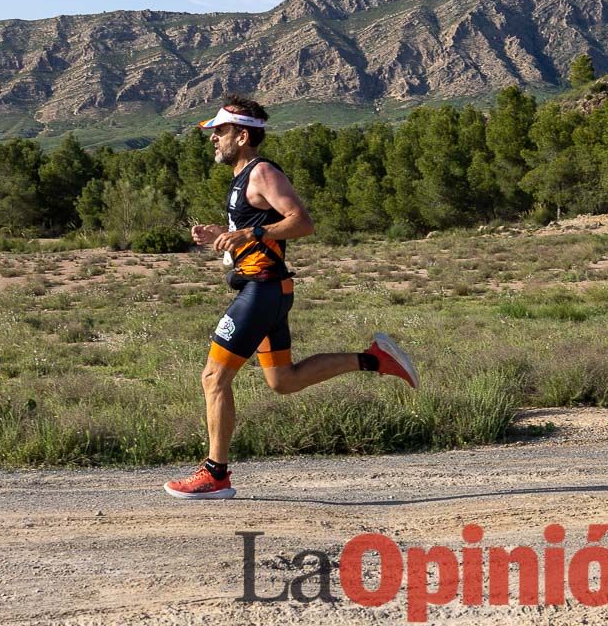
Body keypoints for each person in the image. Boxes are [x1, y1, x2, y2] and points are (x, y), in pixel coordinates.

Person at [163, 96, 418, 500]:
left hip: (262, 291)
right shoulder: (242, 176)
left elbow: (302, 222)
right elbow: (259, 234)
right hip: (267, 289)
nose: (213, 139)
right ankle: (375, 359)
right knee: (284, 380)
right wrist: (223, 237)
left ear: (242, 135)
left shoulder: (261, 172)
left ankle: (215, 475)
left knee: (213, 378)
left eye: (220, 131)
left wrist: (251, 234)